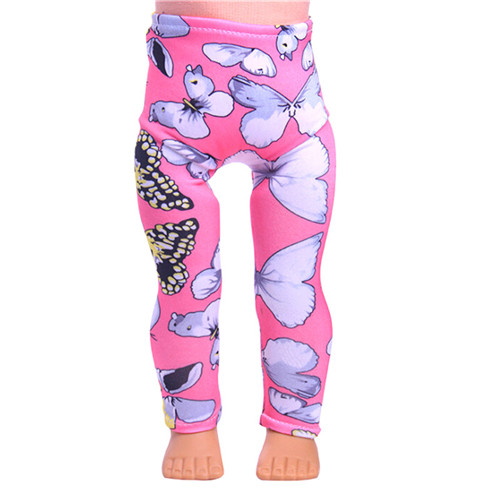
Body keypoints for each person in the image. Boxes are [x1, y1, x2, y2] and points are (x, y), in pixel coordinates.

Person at [134, 0, 336, 480]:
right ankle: (191, 422)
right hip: (176, 121)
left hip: (294, 119)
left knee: (292, 283)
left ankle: (293, 424)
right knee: (183, 281)